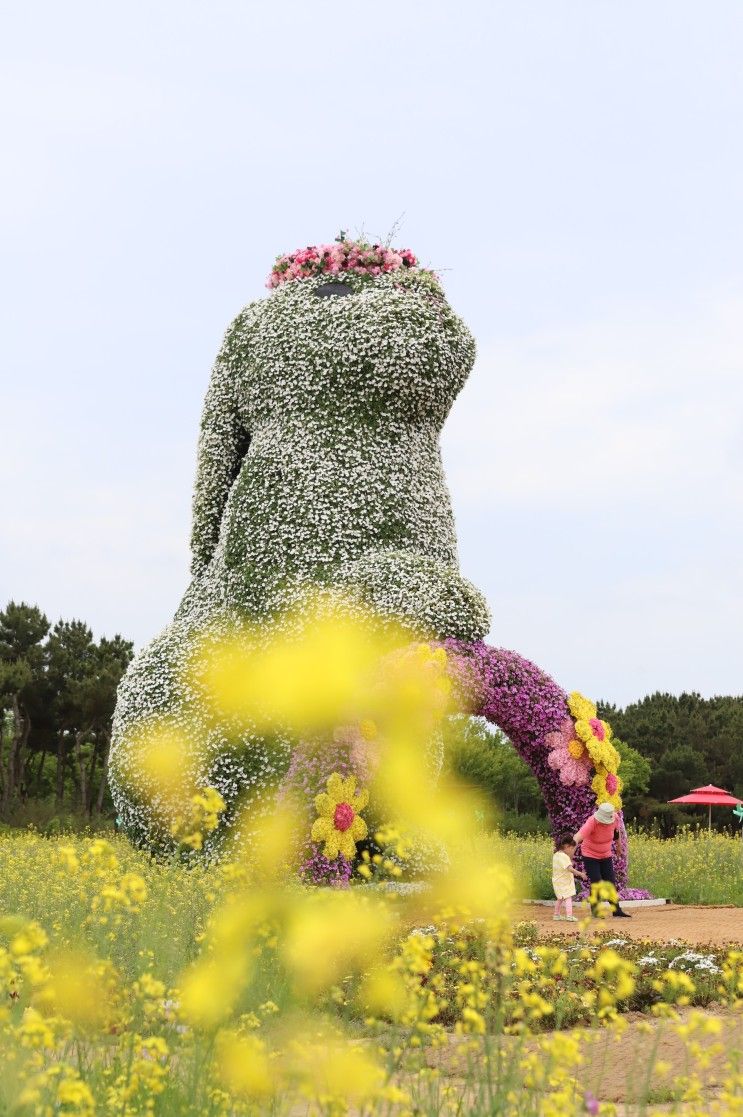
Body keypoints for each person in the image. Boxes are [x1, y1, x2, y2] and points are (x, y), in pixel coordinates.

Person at [574, 802, 631, 918]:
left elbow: (616, 832)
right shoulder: (592, 821)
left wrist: (619, 846)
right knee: (597, 882)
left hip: (606, 854)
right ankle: (595, 910)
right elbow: (578, 837)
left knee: (611, 882)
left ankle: (616, 910)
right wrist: (569, 851)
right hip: (590, 855)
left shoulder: (615, 818)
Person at [552, 833, 587, 921]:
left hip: (557, 880)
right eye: (571, 848)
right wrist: (580, 874)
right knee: (568, 898)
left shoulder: (556, 854)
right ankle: (569, 916)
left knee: (560, 898)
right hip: (564, 881)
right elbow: (570, 869)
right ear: (566, 846)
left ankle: (556, 915)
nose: (572, 851)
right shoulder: (564, 856)